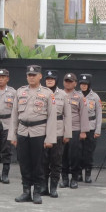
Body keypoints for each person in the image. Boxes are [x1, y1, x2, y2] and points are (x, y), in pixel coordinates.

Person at [11, 65, 58, 205]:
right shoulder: (20, 92)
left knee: (38, 164)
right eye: (29, 75)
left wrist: (50, 138)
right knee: (24, 163)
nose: (31, 77)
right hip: (23, 131)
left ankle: (37, 191)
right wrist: (12, 136)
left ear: (40, 76)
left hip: (39, 131)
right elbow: (14, 115)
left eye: (34, 74)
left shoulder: (48, 93)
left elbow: (52, 117)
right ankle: (26, 191)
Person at [42, 69, 72, 197]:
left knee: (56, 161)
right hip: (43, 130)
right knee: (43, 161)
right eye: (47, 79)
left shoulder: (63, 95)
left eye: (52, 79)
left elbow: (68, 115)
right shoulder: (41, 93)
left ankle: (53, 187)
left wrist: (67, 134)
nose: (49, 81)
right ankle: (43, 187)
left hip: (58, 131)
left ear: (56, 81)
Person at [60, 72, 84, 189]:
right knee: (62, 155)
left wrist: (83, 131)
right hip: (61, 129)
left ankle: (74, 178)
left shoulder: (79, 97)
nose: (68, 83)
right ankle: (64, 178)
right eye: (66, 81)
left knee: (74, 155)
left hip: (75, 128)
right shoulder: (58, 94)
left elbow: (83, 114)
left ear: (75, 83)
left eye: (70, 81)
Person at [75, 73, 101, 183]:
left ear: (89, 84)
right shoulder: (76, 95)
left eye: (86, 84)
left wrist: (98, 130)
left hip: (91, 126)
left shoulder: (95, 97)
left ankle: (88, 174)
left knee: (88, 152)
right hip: (79, 127)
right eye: (82, 84)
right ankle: (79, 174)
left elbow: (99, 114)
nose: (83, 86)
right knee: (78, 152)